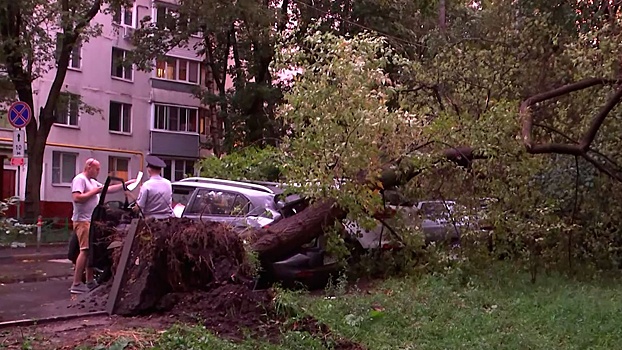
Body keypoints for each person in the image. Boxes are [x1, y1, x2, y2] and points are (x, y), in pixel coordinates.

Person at [70, 158, 134, 294]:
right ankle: (76, 283)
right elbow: (77, 198)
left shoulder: (92, 181)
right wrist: (95, 191)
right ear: (89, 167)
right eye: (97, 169)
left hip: (91, 220)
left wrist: (125, 184)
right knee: (85, 250)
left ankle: (89, 281)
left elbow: (107, 189)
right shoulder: (80, 179)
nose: (99, 171)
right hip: (82, 221)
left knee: (91, 251)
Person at [133, 155, 174, 219]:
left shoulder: (146, 185)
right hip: (167, 220)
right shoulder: (168, 183)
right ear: (160, 170)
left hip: (150, 221)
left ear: (149, 170)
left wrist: (133, 208)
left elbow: (139, 207)